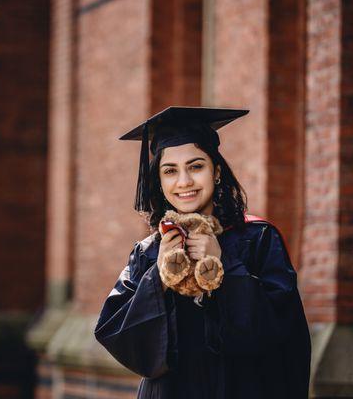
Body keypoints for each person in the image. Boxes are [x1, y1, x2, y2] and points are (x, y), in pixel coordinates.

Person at [93, 107, 311, 399]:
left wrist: (227, 265)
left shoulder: (258, 239)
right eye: (170, 171)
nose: (184, 182)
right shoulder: (148, 252)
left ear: (216, 171)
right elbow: (120, 337)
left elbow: (283, 334)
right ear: (158, 181)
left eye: (196, 166)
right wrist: (156, 278)